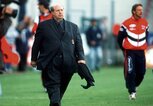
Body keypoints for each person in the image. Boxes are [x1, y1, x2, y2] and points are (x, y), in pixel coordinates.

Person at [31, 3, 86, 106]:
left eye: (62, 10)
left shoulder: (73, 27)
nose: (60, 12)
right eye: (57, 10)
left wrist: (81, 58)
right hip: (50, 62)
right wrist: (34, 59)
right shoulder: (43, 26)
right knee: (54, 85)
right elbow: (36, 44)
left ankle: (55, 102)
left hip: (68, 62)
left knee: (61, 88)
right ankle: (55, 103)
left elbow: (79, 44)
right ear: (52, 12)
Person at [117, 3, 149, 100]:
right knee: (130, 71)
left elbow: (146, 36)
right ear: (133, 11)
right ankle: (132, 92)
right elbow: (119, 38)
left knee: (141, 73)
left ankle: (134, 86)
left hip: (141, 52)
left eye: (141, 10)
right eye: (139, 10)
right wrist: (124, 49)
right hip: (130, 52)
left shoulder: (145, 23)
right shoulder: (126, 23)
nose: (141, 11)